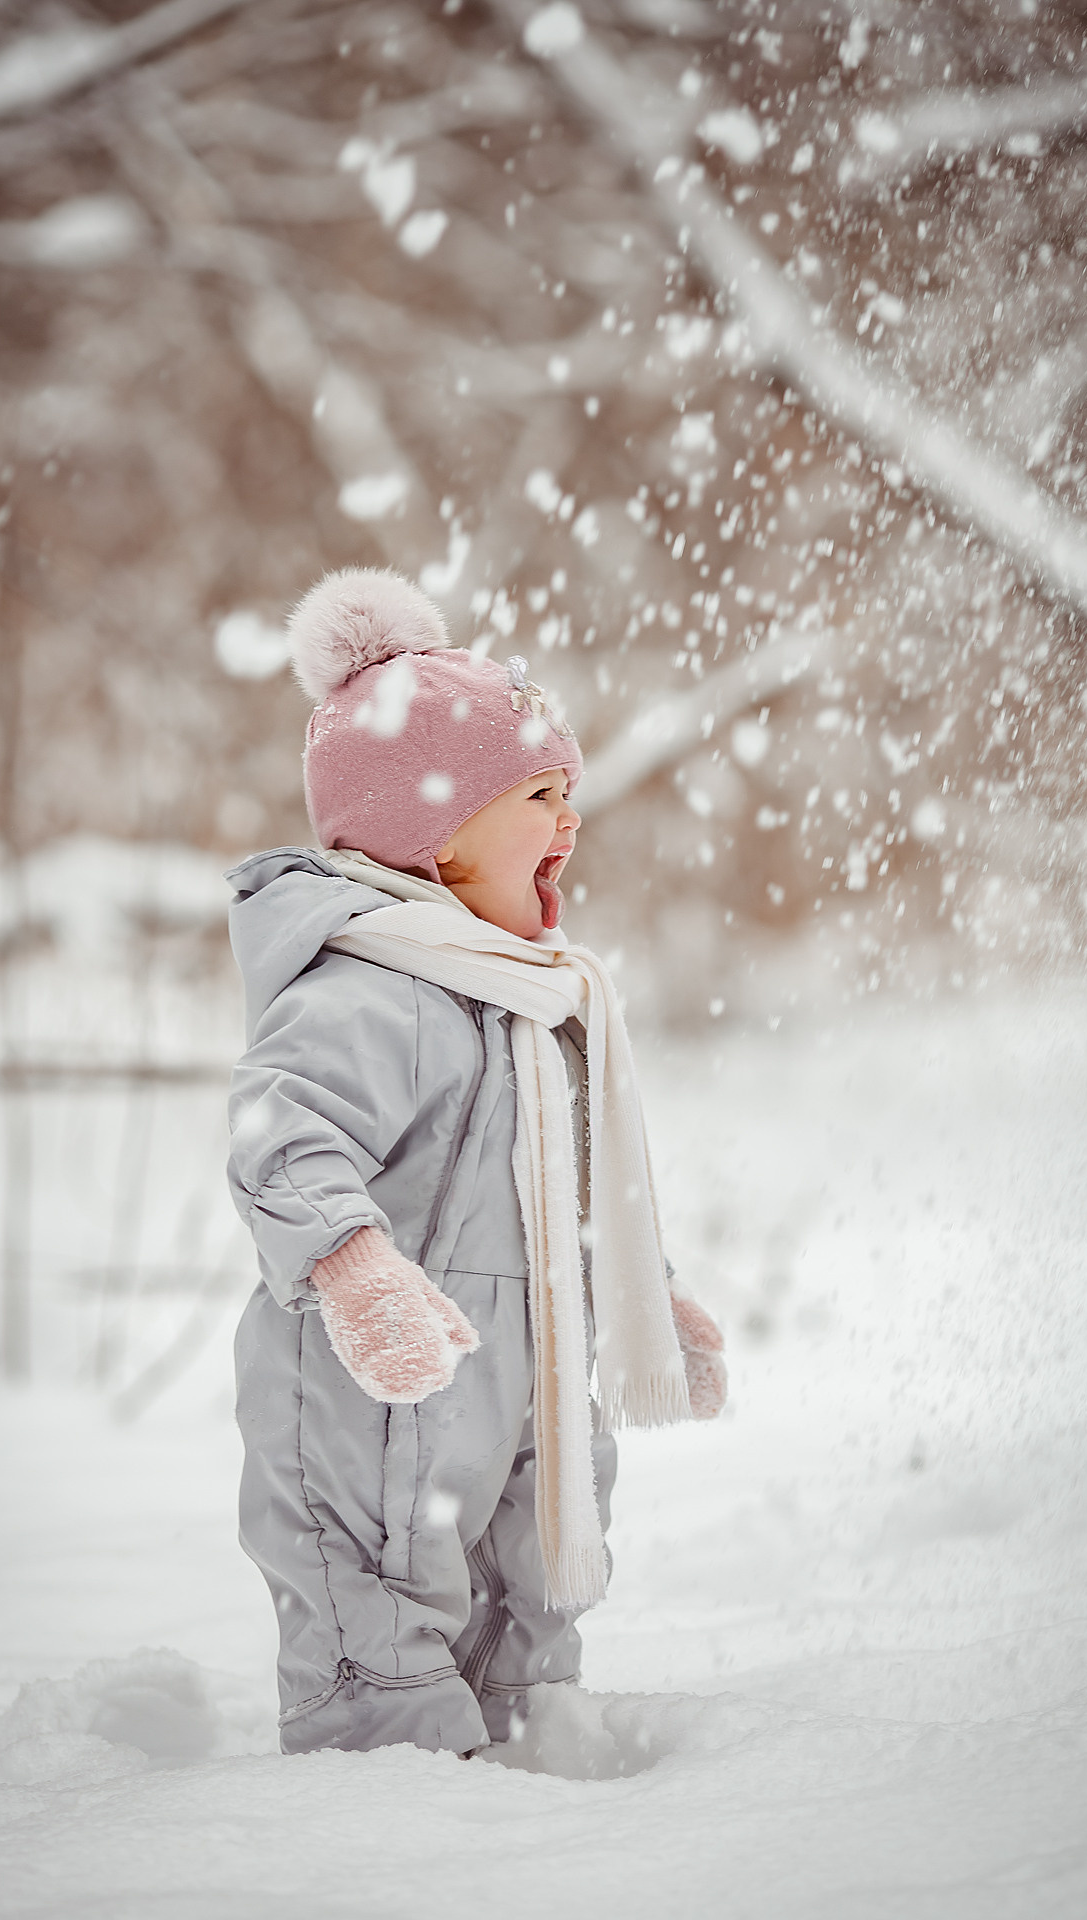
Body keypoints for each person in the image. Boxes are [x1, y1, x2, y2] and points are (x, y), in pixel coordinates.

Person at [226, 567, 727, 1759]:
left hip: (518, 1381)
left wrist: (647, 1296)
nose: (568, 824)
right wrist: (355, 1273)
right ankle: (387, 1820)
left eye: (568, 795)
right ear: (432, 833)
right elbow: (280, 1134)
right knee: (377, 1596)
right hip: (372, 1390)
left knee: (527, 1579)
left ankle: (523, 1754)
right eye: (540, 796)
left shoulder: (533, 1004)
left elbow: (574, 1197)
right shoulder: (368, 989)